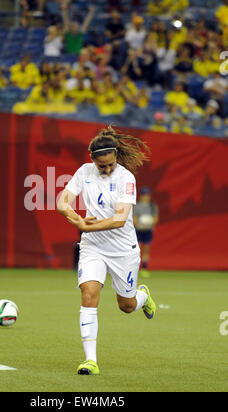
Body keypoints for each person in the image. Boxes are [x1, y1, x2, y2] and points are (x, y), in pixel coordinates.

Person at [57, 126, 157, 375]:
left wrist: (85, 226)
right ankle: (90, 360)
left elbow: (120, 219)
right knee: (88, 293)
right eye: (103, 166)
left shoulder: (126, 178)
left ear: (116, 157)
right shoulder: (84, 172)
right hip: (93, 247)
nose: (108, 169)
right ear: (92, 160)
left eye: (111, 164)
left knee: (126, 305)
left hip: (123, 249)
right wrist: (75, 217)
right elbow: (62, 201)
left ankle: (142, 297)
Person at [133, 186, 159, 278]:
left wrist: (149, 225)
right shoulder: (137, 206)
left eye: (147, 195)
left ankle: (144, 268)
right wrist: (139, 225)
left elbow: (155, 219)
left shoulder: (153, 206)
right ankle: (134, 268)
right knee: (137, 249)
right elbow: (134, 218)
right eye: (144, 195)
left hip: (148, 230)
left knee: (146, 249)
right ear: (141, 196)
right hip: (138, 230)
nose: (146, 196)